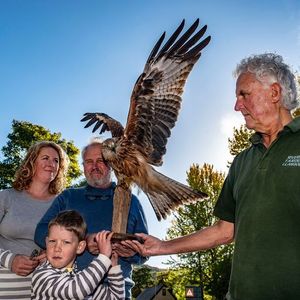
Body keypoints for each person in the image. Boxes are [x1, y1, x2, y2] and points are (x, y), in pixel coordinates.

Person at [123, 53, 300, 300]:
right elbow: (223, 231)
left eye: (244, 94)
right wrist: (162, 246)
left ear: (274, 93)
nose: (237, 105)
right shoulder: (242, 161)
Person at [34, 138, 148, 299]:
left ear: (112, 164)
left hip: (115, 292)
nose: (94, 166)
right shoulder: (67, 197)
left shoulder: (131, 201)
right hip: (69, 288)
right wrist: (83, 240)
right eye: (89, 161)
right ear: (83, 167)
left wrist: (130, 253)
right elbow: (40, 233)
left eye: (100, 161)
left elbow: (144, 252)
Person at [0, 141, 69, 300]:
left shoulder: (62, 204)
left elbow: (68, 245)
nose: (51, 164)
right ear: (32, 162)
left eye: (56, 160)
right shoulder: (6, 196)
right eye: (45, 158)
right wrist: (10, 260)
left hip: (42, 289)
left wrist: (52, 255)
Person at [31, 210, 125, 299]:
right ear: (46, 242)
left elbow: (116, 297)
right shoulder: (42, 275)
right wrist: (104, 257)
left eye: (66, 242)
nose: (57, 248)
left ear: (80, 247)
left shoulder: (80, 279)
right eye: (52, 241)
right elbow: (77, 291)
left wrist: (113, 266)